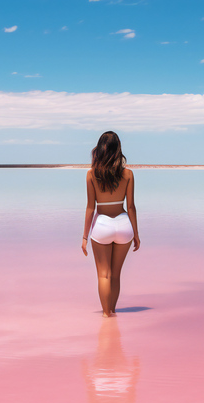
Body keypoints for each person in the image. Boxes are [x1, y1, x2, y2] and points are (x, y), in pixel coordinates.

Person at [81, 131, 140, 317]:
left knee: (103, 275)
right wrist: (136, 234)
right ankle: (113, 311)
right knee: (115, 275)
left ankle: (107, 315)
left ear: (100, 149)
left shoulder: (92, 174)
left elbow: (90, 208)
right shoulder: (128, 174)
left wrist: (84, 237)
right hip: (124, 225)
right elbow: (131, 207)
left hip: (102, 226)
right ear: (118, 149)